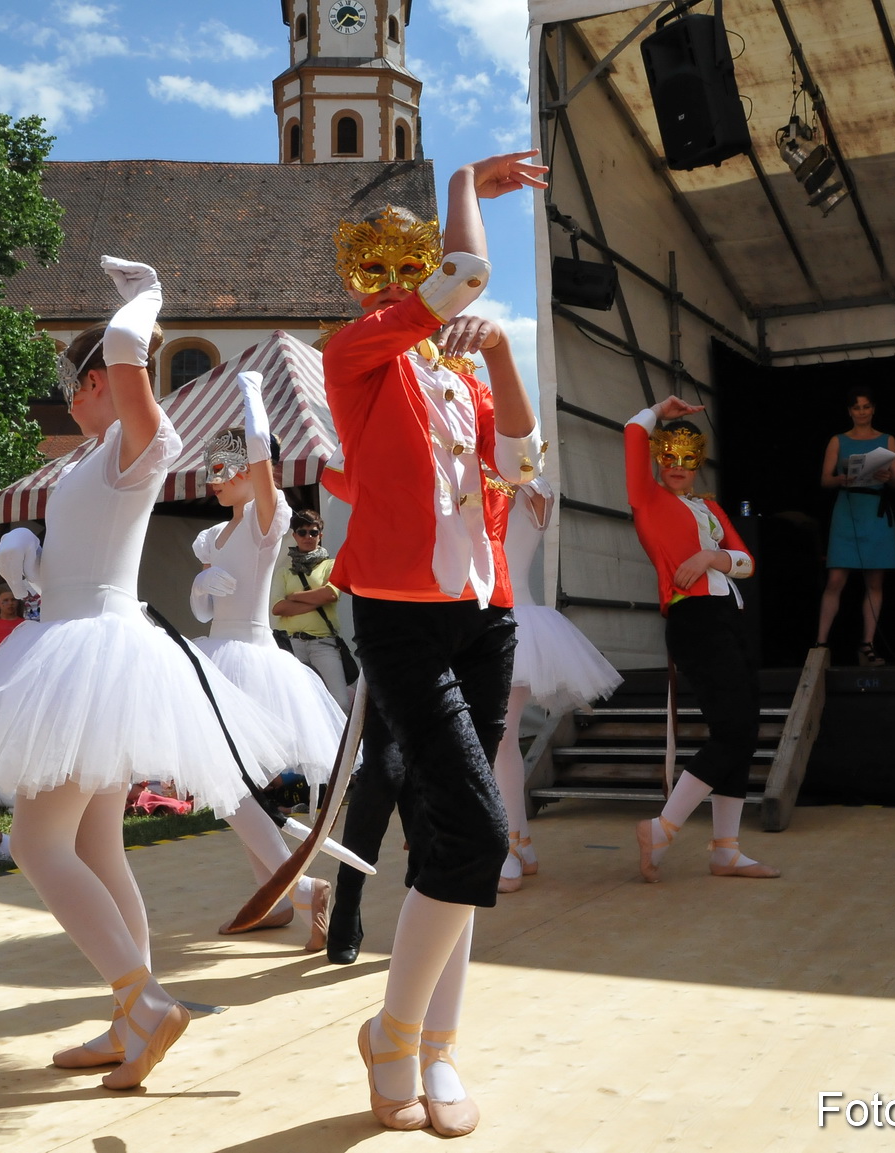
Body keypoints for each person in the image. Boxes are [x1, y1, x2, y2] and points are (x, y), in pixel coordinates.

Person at [0, 256, 297, 1091]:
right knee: (94, 844)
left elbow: (127, 362)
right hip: (80, 651)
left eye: (70, 382)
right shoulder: (88, 460)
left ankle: (142, 1000)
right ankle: (130, 1014)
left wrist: (145, 302)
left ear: (95, 383)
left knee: (36, 843)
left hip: (92, 655)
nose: (66, 398)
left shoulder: (132, 446)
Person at [323, 152, 548, 1136]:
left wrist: (498, 355)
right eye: (382, 271)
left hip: (483, 614)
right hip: (401, 614)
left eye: (408, 267)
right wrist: (461, 183)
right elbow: (465, 274)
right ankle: (394, 1032)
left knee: (450, 835)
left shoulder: (462, 379)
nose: (399, 283)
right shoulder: (356, 357)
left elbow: (523, 466)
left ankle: (437, 1048)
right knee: (480, 833)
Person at [190, 375, 348, 951]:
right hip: (217, 654)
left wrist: (253, 395)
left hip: (252, 659)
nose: (213, 479)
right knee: (235, 785)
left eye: (223, 468)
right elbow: (203, 608)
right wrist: (202, 586)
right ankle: (278, 898)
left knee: (227, 785)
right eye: (210, 468)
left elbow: (262, 455)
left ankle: (297, 888)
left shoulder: (266, 518)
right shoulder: (212, 537)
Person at [624, 396, 781, 886]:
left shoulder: (710, 507)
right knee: (733, 730)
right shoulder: (647, 498)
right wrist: (658, 411)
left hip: (730, 616)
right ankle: (663, 828)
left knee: (744, 732)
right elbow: (632, 432)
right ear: (657, 458)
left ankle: (726, 850)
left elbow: (747, 561)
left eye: (687, 459)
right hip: (694, 619)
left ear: (699, 463)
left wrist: (712, 558)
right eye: (668, 456)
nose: (677, 465)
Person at [492, 477, 623, 892]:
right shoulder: (479, 480)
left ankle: (510, 845)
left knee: (500, 736)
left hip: (511, 620)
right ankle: (520, 843)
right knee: (499, 737)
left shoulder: (531, 487)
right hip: (486, 621)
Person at [814, 389, 895, 666]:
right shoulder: (838, 440)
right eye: (856, 407)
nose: (862, 412)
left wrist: (887, 476)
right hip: (847, 509)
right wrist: (841, 479)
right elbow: (825, 480)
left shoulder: (887, 439)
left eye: (866, 407)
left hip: (875, 511)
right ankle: (821, 644)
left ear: (873, 409)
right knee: (835, 580)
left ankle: (867, 644)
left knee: (874, 581)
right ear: (849, 412)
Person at [272, 509, 351, 709]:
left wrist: (294, 597)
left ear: (320, 535)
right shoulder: (284, 572)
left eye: (313, 532)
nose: (308, 537)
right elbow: (278, 608)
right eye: (302, 532)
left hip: (323, 643)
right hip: (292, 644)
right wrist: (317, 599)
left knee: (340, 702)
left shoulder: (331, 565)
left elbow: (331, 594)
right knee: (299, 704)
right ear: (294, 536)